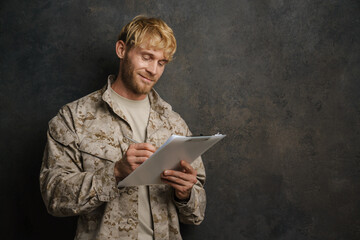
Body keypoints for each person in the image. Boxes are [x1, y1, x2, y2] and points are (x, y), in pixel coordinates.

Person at [39, 15, 206, 240]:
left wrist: (186, 194)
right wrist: (115, 173)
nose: (153, 70)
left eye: (161, 62)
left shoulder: (175, 124)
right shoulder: (73, 118)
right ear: (121, 50)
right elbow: (54, 196)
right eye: (147, 57)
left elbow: (196, 213)